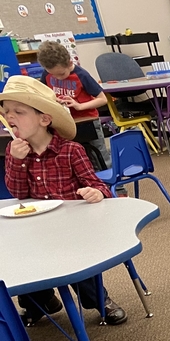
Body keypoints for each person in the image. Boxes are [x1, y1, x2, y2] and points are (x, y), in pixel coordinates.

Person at [0, 76, 127, 326]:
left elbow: (99, 185)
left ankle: (100, 300)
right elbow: (18, 193)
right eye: (6, 112)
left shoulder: (71, 150)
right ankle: (41, 303)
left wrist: (96, 193)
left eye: (19, 111)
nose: (9, 117)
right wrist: (16, 161)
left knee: (76, 263)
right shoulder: (15, 152)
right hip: (36, 229)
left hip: (74, 229)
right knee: (26, 259)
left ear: (44, 119)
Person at [36, 40, 110, 169]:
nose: (58, 78)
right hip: (64, 124)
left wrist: (79, 106)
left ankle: (110, 181)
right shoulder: (47, 74)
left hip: (88, 121)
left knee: (99, 158)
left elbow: (102, 99)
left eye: (61, 74)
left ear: (70, 63)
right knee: (75, 158)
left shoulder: (81, 75)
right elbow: (44, 94)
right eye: (53, 75)